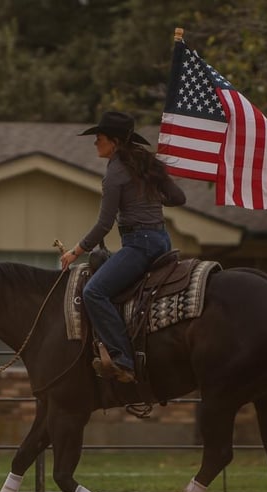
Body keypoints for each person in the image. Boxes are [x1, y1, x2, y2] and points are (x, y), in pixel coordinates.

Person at [60, 111, 186, 385]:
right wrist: (149, 201)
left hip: (139, 245)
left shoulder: (115, 174)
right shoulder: (149, 164)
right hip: (162, 240)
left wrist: (75, 252)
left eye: (100, 138)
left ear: (114, 142)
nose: (95, 143)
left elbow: (104, 225)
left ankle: (122, 359)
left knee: (94, 292)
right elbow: (178, 198)